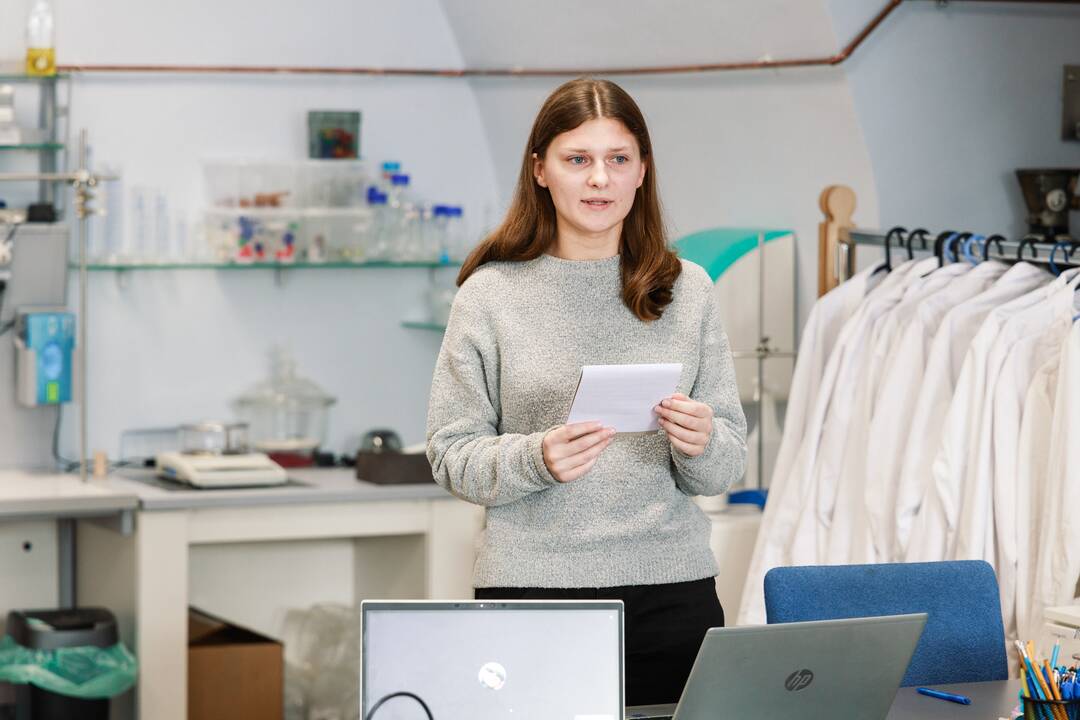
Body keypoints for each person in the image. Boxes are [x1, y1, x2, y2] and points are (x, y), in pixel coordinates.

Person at [425, 76, 747, 706]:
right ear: (541, 170)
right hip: (533, 593)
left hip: (674, 593)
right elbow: (449, 452)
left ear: (641, 172)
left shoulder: (691, 290)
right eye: (578, 160)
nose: (599, 179)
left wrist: (702, 443)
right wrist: (535, 459)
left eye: (617, 160)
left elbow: (725, 463)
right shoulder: (489, 295)